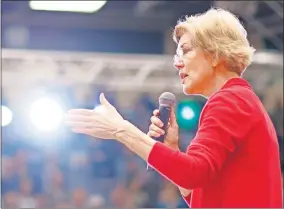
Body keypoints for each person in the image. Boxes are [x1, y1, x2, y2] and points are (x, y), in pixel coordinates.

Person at [65, 8, 283, 207]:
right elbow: (196, 192)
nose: (177, 63)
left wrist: (121, 130)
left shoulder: (230, 100)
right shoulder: (241, 100)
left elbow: (193, 173)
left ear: (215, 54)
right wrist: (172, 150)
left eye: (185, 51)